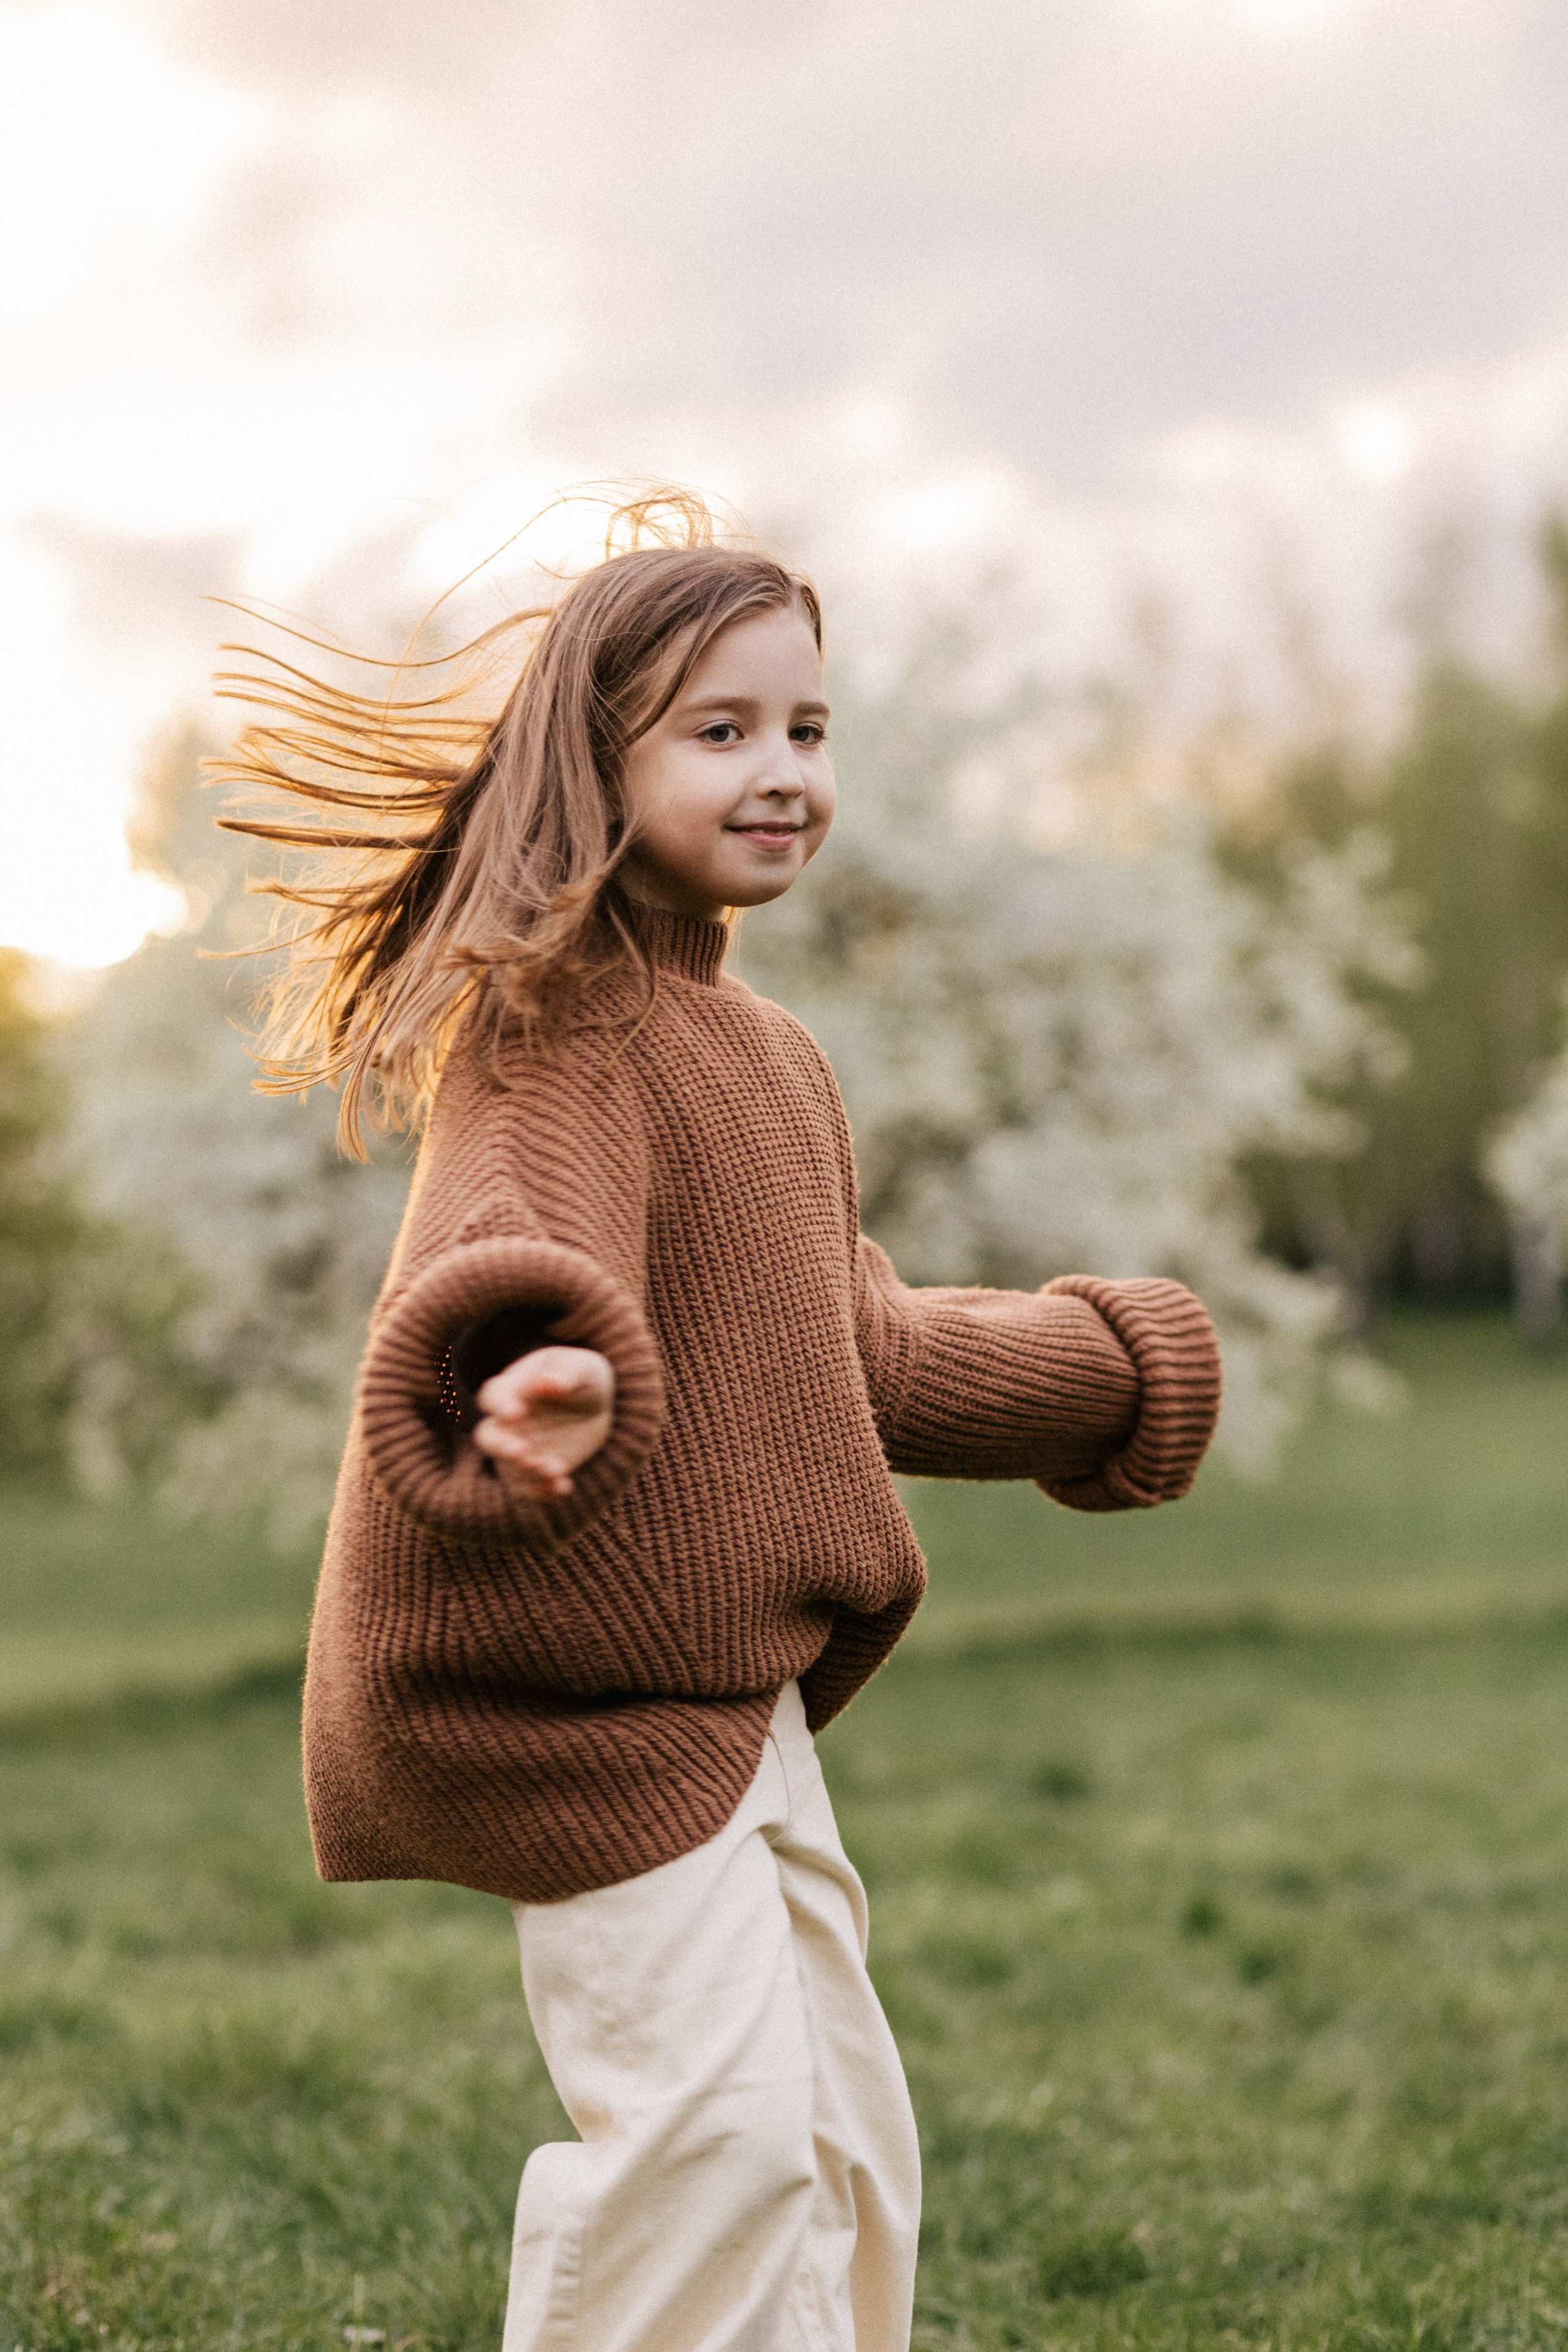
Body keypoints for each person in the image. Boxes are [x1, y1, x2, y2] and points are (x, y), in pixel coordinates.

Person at [217, 491, 1222, 2352]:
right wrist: (536, 1370)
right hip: (567, 1706)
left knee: (843, 2136)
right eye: (723, 729)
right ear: (600, 770)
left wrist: (1118, 1371)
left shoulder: (764, 1060)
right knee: (717, 2142)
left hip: (725, 1695)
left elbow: (864, 1358)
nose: (784, 771)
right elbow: (519, 1236)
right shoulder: (560, 1029)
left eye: (809, 728)